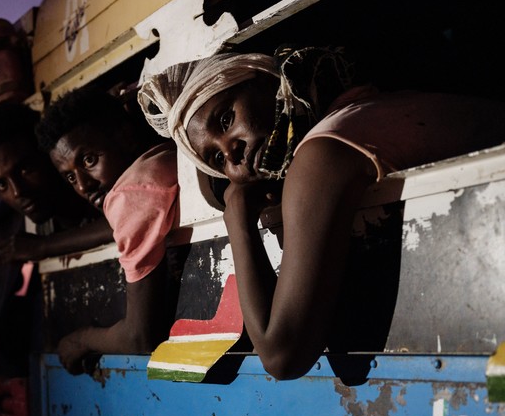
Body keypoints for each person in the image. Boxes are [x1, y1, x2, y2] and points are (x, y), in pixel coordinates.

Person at [138, 45, 505, 380]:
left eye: (225, 120)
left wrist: (237, 218)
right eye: (217, 159)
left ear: (269, 83)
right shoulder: (356, 110)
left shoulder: (321, 153)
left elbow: (281, 354)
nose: (231, 151)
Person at [36, 85, 180, 374]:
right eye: (69, 177)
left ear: (125, 137)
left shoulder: (128, 194)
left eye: (89, 160)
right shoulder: (161, 158)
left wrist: (80, 339)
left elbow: (140, 337)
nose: (82, 185)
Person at [0, 102, 113, 262]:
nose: (17, 191)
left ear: (48, 153)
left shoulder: (100, 187)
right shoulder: (48, 225)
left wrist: (44, 246)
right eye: (2, 185)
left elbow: (127, 220)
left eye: (25, 169)